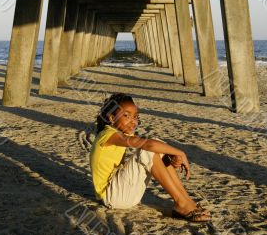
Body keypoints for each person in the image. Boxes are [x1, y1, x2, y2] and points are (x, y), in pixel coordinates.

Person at [89, 93, 211, 222]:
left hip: (123, 194)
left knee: (157, 146)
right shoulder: (108, 135)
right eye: (126, 116)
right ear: (112, 118)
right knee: (147, 150)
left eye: (135, 117)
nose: (133, 121)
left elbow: (153, 144)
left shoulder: (115, 133)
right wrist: (181, 153)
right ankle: (181, 203)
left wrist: (169, 156)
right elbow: (148, 144)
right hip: (113, 197)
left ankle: (186, 200)